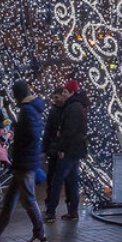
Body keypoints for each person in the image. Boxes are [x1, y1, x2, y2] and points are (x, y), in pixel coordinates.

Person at [0, 80, 47, 242]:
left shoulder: (27, 111)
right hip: (24, 161)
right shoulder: (32, 109)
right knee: (9, 201)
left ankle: (40, 236)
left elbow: (29, 136)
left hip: (25, 162)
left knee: (28, 200)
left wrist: (17, 135)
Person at [45, 79, 89, 223]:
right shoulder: (76, 106)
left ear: (71, 92)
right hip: (74, 149)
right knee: (72, 181)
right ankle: (72, 211)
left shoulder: (74, 107)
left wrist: (61, 147)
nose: (62, 93)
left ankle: (51, 212)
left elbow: (69, 131)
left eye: (65, 91)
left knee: (58, 181)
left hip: (69, 150)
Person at [42, 87, 66, 209]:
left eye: (56, 97)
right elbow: (48, 130)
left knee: (59, 180)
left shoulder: (68, 109)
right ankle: (49, 204)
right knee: (52, 178)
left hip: (62, 150)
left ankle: (52, 207)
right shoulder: (53, 110)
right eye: (53, 97)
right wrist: (45, 149)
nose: (54, 100)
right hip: (54, 149)